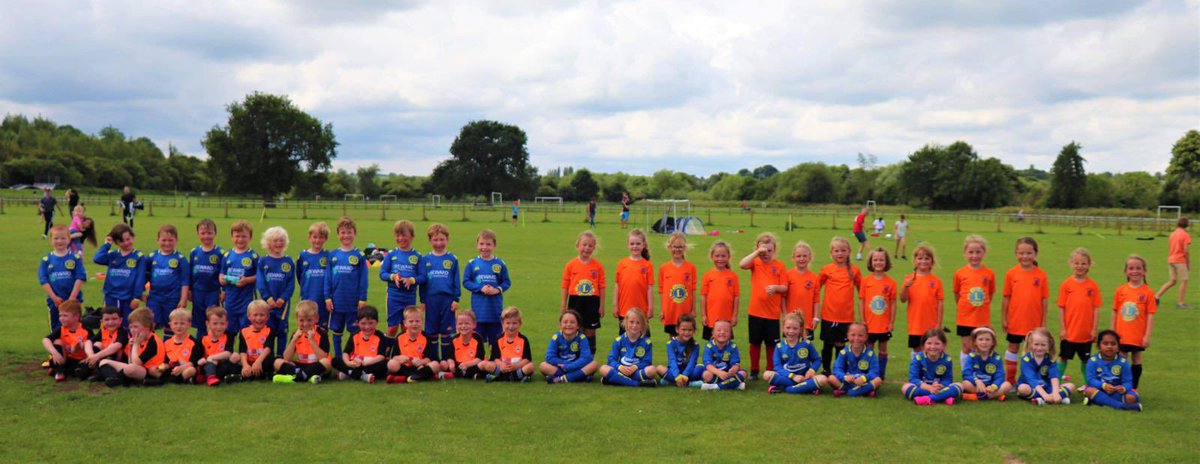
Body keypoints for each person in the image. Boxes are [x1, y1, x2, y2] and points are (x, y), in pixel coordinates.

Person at [738, 232, 788, 379]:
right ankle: (754, 370)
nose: (766, 254)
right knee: (755, 343)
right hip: (755, 312)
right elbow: (742, 264)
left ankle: (770, 370)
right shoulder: (755, 262)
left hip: (772, 313)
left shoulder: (779, 265)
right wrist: (756, 253)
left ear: (775, 250)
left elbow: (785, 287)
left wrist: (776, 288)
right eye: (763, 251)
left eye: (769, 251)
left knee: (771, 345)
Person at [1001, 237, 1048, 384]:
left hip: (1034, 322)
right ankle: (1010, 380)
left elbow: (1044, 300)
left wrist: (1043, 322)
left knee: (1032, 351)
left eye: (1029, 253)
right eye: (1021, 253)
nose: (1025, 256)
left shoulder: (1041, 275)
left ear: (1035, 254)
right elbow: (1006, 298)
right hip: (1015, 320)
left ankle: (1029, 381)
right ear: (1016, 254)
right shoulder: (1011, 273)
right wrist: (1004, 318)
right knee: (1013, 348)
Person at [325, 217, 368, 359]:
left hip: (353, 301)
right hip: (336, 301)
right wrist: (327, 297)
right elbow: (328, 278)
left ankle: (352, 355)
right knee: (336, 330)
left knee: (354, 330)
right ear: (338, 234)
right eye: (343, 232)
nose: (346, 235)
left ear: (354, 234)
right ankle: (338, 358)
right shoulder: (333, 255)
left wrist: (362, 298)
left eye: (349, 232)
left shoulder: (359, 255)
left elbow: (363, 279)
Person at [818, 237, 862, 375]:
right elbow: (815, 288)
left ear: (849, 252)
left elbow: (863, 291)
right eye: (836, 251)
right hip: (828, 315)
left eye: (843, 250)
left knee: (841, 346)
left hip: (846, 317)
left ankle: (839, 371)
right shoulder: (826, 269)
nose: (840, 253)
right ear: (831, 253)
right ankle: (826, 369)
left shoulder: (854, 270)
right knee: (828, 344)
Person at [1058, 248, 1102, 384]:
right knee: (1063, 357)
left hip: (1085, 333)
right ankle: (1054, 382)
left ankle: (1088, 384)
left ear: (1089, 265)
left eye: (1083, 263)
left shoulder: (1093, 286)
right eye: (1076, 263)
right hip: (1070, 332)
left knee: (1086, 359)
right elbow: (1061, 308)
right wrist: (1063, 328)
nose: (1080, 266)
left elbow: (1096, 309)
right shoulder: (1066, 284)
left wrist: (1094, 330)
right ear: (1071, 264)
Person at [1112, 255, 1156, 390]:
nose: (1135, 271)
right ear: (1125, 271)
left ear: (1144, 271)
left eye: (1138, 268)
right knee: (1121, 359)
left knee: (1136, 359)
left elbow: (1150, 315)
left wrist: (1147, 336)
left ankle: (1133, 388)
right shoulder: (1120, 290)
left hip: (1137, 334)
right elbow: (1114, 312)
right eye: (1131, 268)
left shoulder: (1148, 292)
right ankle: (1120, 387)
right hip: (1122, 334)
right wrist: (1112, 333)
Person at [463, 229, 511, 347]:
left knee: (494, 343)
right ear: (477, 244)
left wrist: (497, 290)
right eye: (481, 244)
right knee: (477, 343)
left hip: (495, 312)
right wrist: (480, 288)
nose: (484, 247)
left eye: (488, 244)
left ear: (494, 245)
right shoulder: (472, 263)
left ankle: (493, 363)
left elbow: (507, 282)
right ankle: (479, 364)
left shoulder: (500, 264)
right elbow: (466, 281)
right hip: (478, 313)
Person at [953, 235, 995, 368]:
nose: (974, 255)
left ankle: (980, 375)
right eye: (971, 252)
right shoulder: (960, 273)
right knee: (966, 347)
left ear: (984, 253)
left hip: (981, 318)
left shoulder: (989, 273)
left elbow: (990, 294)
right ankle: (967, 376)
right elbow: (956, 294)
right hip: (965, 318)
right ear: (965, 253)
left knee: (981, 348)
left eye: (978, 252)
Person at [562, 230, 605, 355]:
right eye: (584, 245)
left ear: (594, 248)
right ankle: (575, 357)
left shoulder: (598, 266)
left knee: (590, 331)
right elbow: (565, 286)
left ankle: (589, 358)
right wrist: (563, 306)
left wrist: (601, 306)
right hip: (575, 301)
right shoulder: (570, 265)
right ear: (578, 246)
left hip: (592, 301)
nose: (587, 248)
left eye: (590, 246)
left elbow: (602, 287)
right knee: (576, 330)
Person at [97, 308, 166, 387]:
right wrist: (131, 347)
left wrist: (135, 345)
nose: (132, 330)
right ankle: (113, 378)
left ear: (147, 327)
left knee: (130, 369)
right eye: (131, 327)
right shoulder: (137, 339)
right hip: (135, 369)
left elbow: (136, 363)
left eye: (136, 327)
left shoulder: (153, 341)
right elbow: (130, 361)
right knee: (103, 362)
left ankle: (119, 379)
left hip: (151, 372)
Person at [93, 223, 146, 323]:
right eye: (121, 241)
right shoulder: (113, 255)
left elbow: (140, 278)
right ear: (116, 242)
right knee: (110, 323)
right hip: (111, 296)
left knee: (128, 324)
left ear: (133, 237)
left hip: (128, 297)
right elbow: (97, 258)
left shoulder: (138, 256)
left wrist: (136, 297)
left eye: (128, 239)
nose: (126, 243)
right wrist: (107, 244)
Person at [144, 225, 190, 337]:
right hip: (154, 297)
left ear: (176, 241)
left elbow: (185, 281)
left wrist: (183, 299)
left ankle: (169, 350)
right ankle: (151, 348)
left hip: (172, 298)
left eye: (170, 240)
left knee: (171, 325)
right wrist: (140, 293)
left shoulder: (180, 258)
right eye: (163, 240)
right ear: (158, 240)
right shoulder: (151, 257)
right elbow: (142, 276)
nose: (167, 243)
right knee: (150, 324)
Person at [39, 225, 87, 332]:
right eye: (56, 238)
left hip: (73, 300)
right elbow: (43, 280)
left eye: (63, 238)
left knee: (75, 328)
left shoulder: (75, 258)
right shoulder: (46, 260)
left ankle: (74, 348)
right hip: (55, 301)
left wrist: (72, 298)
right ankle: (58, 348)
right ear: (51, 240)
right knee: (56, 329)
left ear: (69, 239)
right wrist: (54, 297)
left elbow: (80, 277)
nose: (59, 241)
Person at [273, 300, 332, 384]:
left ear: (316, 318)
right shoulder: (296, 334)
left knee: (327, 362)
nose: (305, 324)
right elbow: (287, 358)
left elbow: (322, 357)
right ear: (297, 319)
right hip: (300, 365)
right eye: (302, 320)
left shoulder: (322, 333)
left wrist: (311, 341)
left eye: (309, 320)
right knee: (277, 362)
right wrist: (294, 340)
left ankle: (295, 377)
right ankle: (306, 376)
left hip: (316, 365)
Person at [257, 226, 295, 354]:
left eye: (281, 240)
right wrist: (268, 298)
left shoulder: (288, 261)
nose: (279, 243)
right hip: (267, 303)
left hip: (282, 304)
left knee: (282, 330)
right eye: (275, 240)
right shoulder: (263, 261)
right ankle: (268, 357)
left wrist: (282, 299)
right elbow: (261, 282)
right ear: (268, 243)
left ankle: (280, 357)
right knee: (268, 329)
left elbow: (291, 284)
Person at [1083, 330, 1143, 411]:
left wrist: (1123, 388)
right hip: (1100, 389)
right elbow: (1091, 380)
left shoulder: (1123, 362)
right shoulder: (1092, 361)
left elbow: (1128, 382)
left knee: (1131, 398)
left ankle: (1098, 400)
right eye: (1105, 343)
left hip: (1117, 392)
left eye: (1113, 344)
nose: (1109, 346)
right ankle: (1122, 406)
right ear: (1099, 346)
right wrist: (1103, 386)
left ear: (1118, 347)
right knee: (1089, 390)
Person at [765, 313, 825, 395]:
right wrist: (793, 376)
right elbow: (777, 367)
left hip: (804, 377)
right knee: (766, 374)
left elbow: (817, 360)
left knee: (823, 379)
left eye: (795, 328)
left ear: (800, 329)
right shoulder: (779, 346)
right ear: (783, 328)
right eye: (788, 328)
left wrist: (811, 370)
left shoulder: (806, 344)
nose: (791, 331)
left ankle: (789, 389)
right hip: (788, 377)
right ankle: (806, 388)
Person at [859, 247, 896, 379]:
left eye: (881, 260)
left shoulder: (891, 282)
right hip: (869, 324)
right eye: (875, 260)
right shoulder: (866, 281)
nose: (878, 262)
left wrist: (891, 322)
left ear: (886, 262)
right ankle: (868, 373)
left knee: (883, 349)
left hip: (883, 325)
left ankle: (880, 375)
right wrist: (863, 320)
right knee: (868, 349)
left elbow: (892, 304)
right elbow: (862, 302)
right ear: (870, 262)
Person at [599, 308, 661, 387]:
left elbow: (647, 362)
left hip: (637, 371)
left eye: (638, 323)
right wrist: (620, 367)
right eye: (631, 322)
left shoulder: (647, 342)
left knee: (652, 370)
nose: (634, 325)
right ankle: (637, 383)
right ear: (626, 323)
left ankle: (616, 380)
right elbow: (611, 360)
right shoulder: (619, 340)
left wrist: (635, 367)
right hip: (621, 371)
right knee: (603, 368)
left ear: (642, 325)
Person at [899, 244, 944, 352]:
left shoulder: (936, 281)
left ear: (932, 262)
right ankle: (916, 369)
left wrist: (939, 324)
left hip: (931, 325)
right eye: (920, 258)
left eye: (927, 258)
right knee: (917, 350)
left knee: (931, 350)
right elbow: (903, 299)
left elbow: (940, 304)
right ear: (915, 261)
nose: (923, 261)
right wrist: (905, 287)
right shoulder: (909, 278)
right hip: (915, 324)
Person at [380, 220, 419, 337]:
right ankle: (387, 354)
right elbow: (382, 274)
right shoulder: (391, 255)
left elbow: (423, 277)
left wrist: (411, 280)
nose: (400, 238)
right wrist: (393, 277)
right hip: (393, 297)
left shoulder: (417, 256)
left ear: (412, 236)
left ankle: (405, 354)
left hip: (409, 297)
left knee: (406, 328)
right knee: (392, 328)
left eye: (404, 235)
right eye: (398, 235)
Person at [903, 328, 962, 405]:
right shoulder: (918, 358)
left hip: (939, 387)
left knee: (960, 386)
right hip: (923, 387)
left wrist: (940, 385)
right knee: (905, 387)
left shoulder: (947, 359)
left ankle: (927, 399)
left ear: (943, 345)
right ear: (924, 345)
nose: (933, 346)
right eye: (929, 343)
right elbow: (913, 378)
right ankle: (944, 397)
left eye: (937, 343)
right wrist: (929, 387)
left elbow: (948, 379)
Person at [1017, 327, 1075, 405]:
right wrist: (1045, 395)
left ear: (1049, 345)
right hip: (1032, 387)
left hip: (1047, 387)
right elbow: (1032, 380)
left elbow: (1054, 377)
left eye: (1043, 345)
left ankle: (1042, 400)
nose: (1039, 348)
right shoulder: (1026, 360)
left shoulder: (1050, 359)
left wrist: (1055, 393)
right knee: (1022, 388)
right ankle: (1054, 399)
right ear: (1031, 344)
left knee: (1071, 386)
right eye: (1036, 344)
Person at [220, 220, 258, 335]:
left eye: (244, 236)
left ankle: (244, 352)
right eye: (237, 236)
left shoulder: (253, 255)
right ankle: (229, 352)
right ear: (232, 237)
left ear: (250, 237)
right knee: (229, 329)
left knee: (246, 329)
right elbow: (222, 272)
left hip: (246, 299)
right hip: (230, 299)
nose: (240, 239)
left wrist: (247, 280)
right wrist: (221, 279)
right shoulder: (227, 255)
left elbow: (259, 276)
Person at [333, 306, 389, 383]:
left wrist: (364, 363)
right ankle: (362, 375)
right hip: (355, 363)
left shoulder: (380, 336)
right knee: (335, 360)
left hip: (370, 363)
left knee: (384, 365)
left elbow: (381, 356)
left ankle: (349, 373)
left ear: (377, 322)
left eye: (371, 323)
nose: (367, 327)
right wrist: (348, 363)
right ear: (357, 323)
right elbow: (346, 353)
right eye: (363, 323)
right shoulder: (354, 335)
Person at [614, 228, 654, 335]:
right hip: (624, 310)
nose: (635, 246)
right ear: (628, 244)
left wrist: (650, 307)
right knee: (624, 339)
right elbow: (617, 286)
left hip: (642, 310)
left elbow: (650, 288)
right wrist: (615, 305)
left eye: (638, 243)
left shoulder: (647, 265)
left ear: (643, 244)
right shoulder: (622, 264)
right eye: (632, 243)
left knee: (643, 340)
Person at [385, 305, 440, 383]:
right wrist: (400, 358)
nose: (414, 324)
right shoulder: (400, 337)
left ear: (422, 322)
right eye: (411, 321)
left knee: (435, 365)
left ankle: (404, 379)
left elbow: (432, 358)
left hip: (420, 367)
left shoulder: (426, 337)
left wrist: (421, 362)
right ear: (405, 323)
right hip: (405, 367)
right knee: (391, 364)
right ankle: (418, 377)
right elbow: (394, 357)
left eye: (417, 321)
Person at [480, 306, 535, 382]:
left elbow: (527, 359)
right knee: (486, 364)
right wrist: (501, 365)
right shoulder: (498, 339)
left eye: (514, 323)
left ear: (520, 324)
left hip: (517, 368)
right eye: (508, 323)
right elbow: (495, 358)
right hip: (502, 369)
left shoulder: (523, 340)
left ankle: (501, 377)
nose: (511, 326)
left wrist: (516, 366)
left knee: (531, 366)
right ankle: (515, 378)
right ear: (502, 323)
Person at [827, 322, 881, 397]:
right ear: (847, 336)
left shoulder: (870, 354)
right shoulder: (843, 352)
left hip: (863, 382)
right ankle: (864, 391)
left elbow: (875, 371)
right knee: (831, 378)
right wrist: (845, 377)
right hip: (847, 382)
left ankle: (846, 392)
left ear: (866, 337)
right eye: (853, 335)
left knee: (878, 380)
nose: (856, 338)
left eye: (860, 335)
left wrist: (864, 378)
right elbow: (837, 369)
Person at [541, 311, 598, 383]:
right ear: (560, 325)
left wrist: (571, 366)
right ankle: (579, 377)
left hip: (577, 366)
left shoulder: (582, 338)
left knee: (594, 365)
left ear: (578, 326)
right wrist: (565, 365)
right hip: (561, 366)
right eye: (565, 322)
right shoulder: (556, 337)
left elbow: (586, 357)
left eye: (572, 322)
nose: (568, 324)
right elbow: (549, 357)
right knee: (543, 366)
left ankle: (562, 378)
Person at [41, 300, 91, 381]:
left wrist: (83, 349)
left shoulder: (86, 330)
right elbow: (45, 340)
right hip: (65, 359)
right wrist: (55, 353)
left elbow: (93, 344)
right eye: (60, 316)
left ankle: (59, 370)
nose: (61, 319)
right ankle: (59, 371)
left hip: (81, 360)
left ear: (76, 316)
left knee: (84, 371)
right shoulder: (61, 329)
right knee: (57, 341)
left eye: (65, 316)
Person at [189, 219, 224, 336]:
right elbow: (190, 273)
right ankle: (200, 347)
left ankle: (213, 346)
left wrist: (223, 291)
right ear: (197, 234)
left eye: (209, 233)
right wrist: (189, 290)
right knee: (200, 323)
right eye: (203, 233)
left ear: (215, 233)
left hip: (213, 292)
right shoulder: (194, 252)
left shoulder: (220, 253)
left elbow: (223, 273)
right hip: (197, 292)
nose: (206, 236)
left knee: (213, 320)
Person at [658, 232, 697, 336]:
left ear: (685, 248)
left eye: (680, 247)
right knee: (673, 340)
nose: (677, 250)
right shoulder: (664, 268)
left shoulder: (691, 267)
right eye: (675, 246)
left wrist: (693, 310)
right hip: (671, 311)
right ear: (670, 247)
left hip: (685, 310)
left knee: (686, 338)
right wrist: (662, 310)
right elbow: (662, 291)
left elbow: (693, 291)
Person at [700, 241, 739, 341]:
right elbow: (703, 296)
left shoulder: (733, 276)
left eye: (723, 256)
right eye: (717, 256)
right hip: (711, 318)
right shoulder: (708, 275)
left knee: (726, 345)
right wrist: (704, 315)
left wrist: (734, 316)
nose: (720, 259)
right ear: (712, 257)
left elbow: (736, 297)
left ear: (728, 257)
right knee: (711, 345)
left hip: (726, 319)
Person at [960, 327, 1011, 401]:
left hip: (991, 386)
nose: (984, 342)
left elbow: (1000, 376)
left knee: (1008, 385)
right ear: (975, 342)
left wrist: (994, 386)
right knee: (965, 384)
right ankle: (995, 395)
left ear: (993, 342)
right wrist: (976, 381)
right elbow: (966, 373)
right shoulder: (971, 356)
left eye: (987, 339)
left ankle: (978, 396)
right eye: (980, 339)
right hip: (976, 385)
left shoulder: (996, 358)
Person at [297, 222, 331, 328]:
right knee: (306, 326)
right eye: (314, 237)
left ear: (325, 239)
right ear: (309, 238)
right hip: (308, 297)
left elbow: (330, 278)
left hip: (323, 298)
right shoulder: (303, 255)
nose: (317, 240)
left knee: (322, 328)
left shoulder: (328, 255)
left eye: (321, 237)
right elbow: (299, 275)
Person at [80, 306, 127, 381]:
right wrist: (91, 355)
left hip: (121, 362)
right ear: (102, 322)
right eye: (107, 319)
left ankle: (111, 377)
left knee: (105, 357)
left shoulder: (122, 331)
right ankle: (89, 370)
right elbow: (88, 341)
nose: (110, 322)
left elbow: (117, 346)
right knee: (97, 344)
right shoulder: (103, 330)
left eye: (114, 319)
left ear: (120, 320)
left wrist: (96, 356)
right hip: (107, 359)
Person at [785, 241, 820, 339]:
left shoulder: (814, 277)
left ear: (810, 258)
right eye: (799, 256)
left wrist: (816, 318)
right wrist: (785, 315)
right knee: (790, 349)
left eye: (805, 256)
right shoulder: (787, 275)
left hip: (807, 322)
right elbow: (783, 298)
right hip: (790, 321)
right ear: (793, 258)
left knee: (805, 349)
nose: (802, 259)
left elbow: (816, 300)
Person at [236, 300, 277, 381]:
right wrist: (245, 365)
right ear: (248, 316)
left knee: (274, 361)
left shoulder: (269, 330)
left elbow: (268, 348)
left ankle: (243, 377)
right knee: (233, 362)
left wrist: (258, 362)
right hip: (250, 362)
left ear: (267, 316)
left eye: (262, 315)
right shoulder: (244, 331)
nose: (259, 318)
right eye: (255, 315)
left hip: (263, 361)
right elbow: (242, 351)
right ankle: (263, 376)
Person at [196, 306, 238, 387]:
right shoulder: (202, 339)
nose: (219, 327)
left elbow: (228, 353)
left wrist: (211, 357)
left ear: (226, 324)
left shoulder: (229, 336)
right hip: (208, 366)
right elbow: (199, 359)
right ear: (208, 324)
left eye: (222, 323)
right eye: (215, 323)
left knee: (235, 356)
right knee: (211, 363)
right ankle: (211, 377)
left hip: (223, 364)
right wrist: (207, 360)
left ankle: (212, 377)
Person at [700, 320, 746, 390]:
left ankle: (716, 387)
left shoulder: (733, 346)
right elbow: (708, 365)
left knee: (743, 373)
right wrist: (719, 372)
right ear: (713, 333)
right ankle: (734, 385)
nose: (722, 332)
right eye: (718, 330)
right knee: (706, 375)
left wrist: (733, 369)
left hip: (728, 374)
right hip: (715, 373)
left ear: (730, 335)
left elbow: (736, 364)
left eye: (726, 331)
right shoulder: (709, 346)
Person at [160, 309, 203, 384]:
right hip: (172, 369)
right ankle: (179, 380)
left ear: (189, 324)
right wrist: (163, 367)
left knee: (191, 370)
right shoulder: (166, 343)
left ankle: (166, 381)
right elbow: (165, 361)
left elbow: (193, 362)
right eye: (175, 323)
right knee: (156, 369)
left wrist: (181, 368)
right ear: (170, 325)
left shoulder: (194, 342)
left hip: (186, 368)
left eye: (182, 323)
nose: (178, 326)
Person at [1156, 217, 1190, 309]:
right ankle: (1181, 303)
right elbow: (1186, 251)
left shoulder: (1172, 234)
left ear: (1177, 224)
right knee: (1184, 280)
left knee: (1172, 281)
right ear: (1187, 225)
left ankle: (1157, 296)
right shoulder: (1185, 235)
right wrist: (1188, 263)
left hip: (1171, 259)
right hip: (1180, 260)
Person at [660, 315, 703, 387]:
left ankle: (671, 383)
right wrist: (677, 376)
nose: (686, 333)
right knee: (659, 368)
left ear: (694, 331)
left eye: (690, 330)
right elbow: (672, 361)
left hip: (689, 373)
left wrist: (685, 375)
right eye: (683, 329)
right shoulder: (671, 343)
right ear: (677, 329)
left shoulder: (695, 345)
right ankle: (689, 384)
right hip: (675, 371)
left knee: (701, 368)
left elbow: (692, 363)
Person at [446, 309, 488, 380]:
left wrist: (467, 364)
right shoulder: (454, 339)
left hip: (472, 364)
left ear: (474, 325)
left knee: (483, 365)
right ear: (456, 325)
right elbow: (450, 357)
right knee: (443, 364)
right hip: (459, 365)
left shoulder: (478, 338)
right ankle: (470, 376)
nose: (463, 326)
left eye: (467, 323)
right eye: (460, 323)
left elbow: (479, 358)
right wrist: (451, 364)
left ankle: (456, 375)